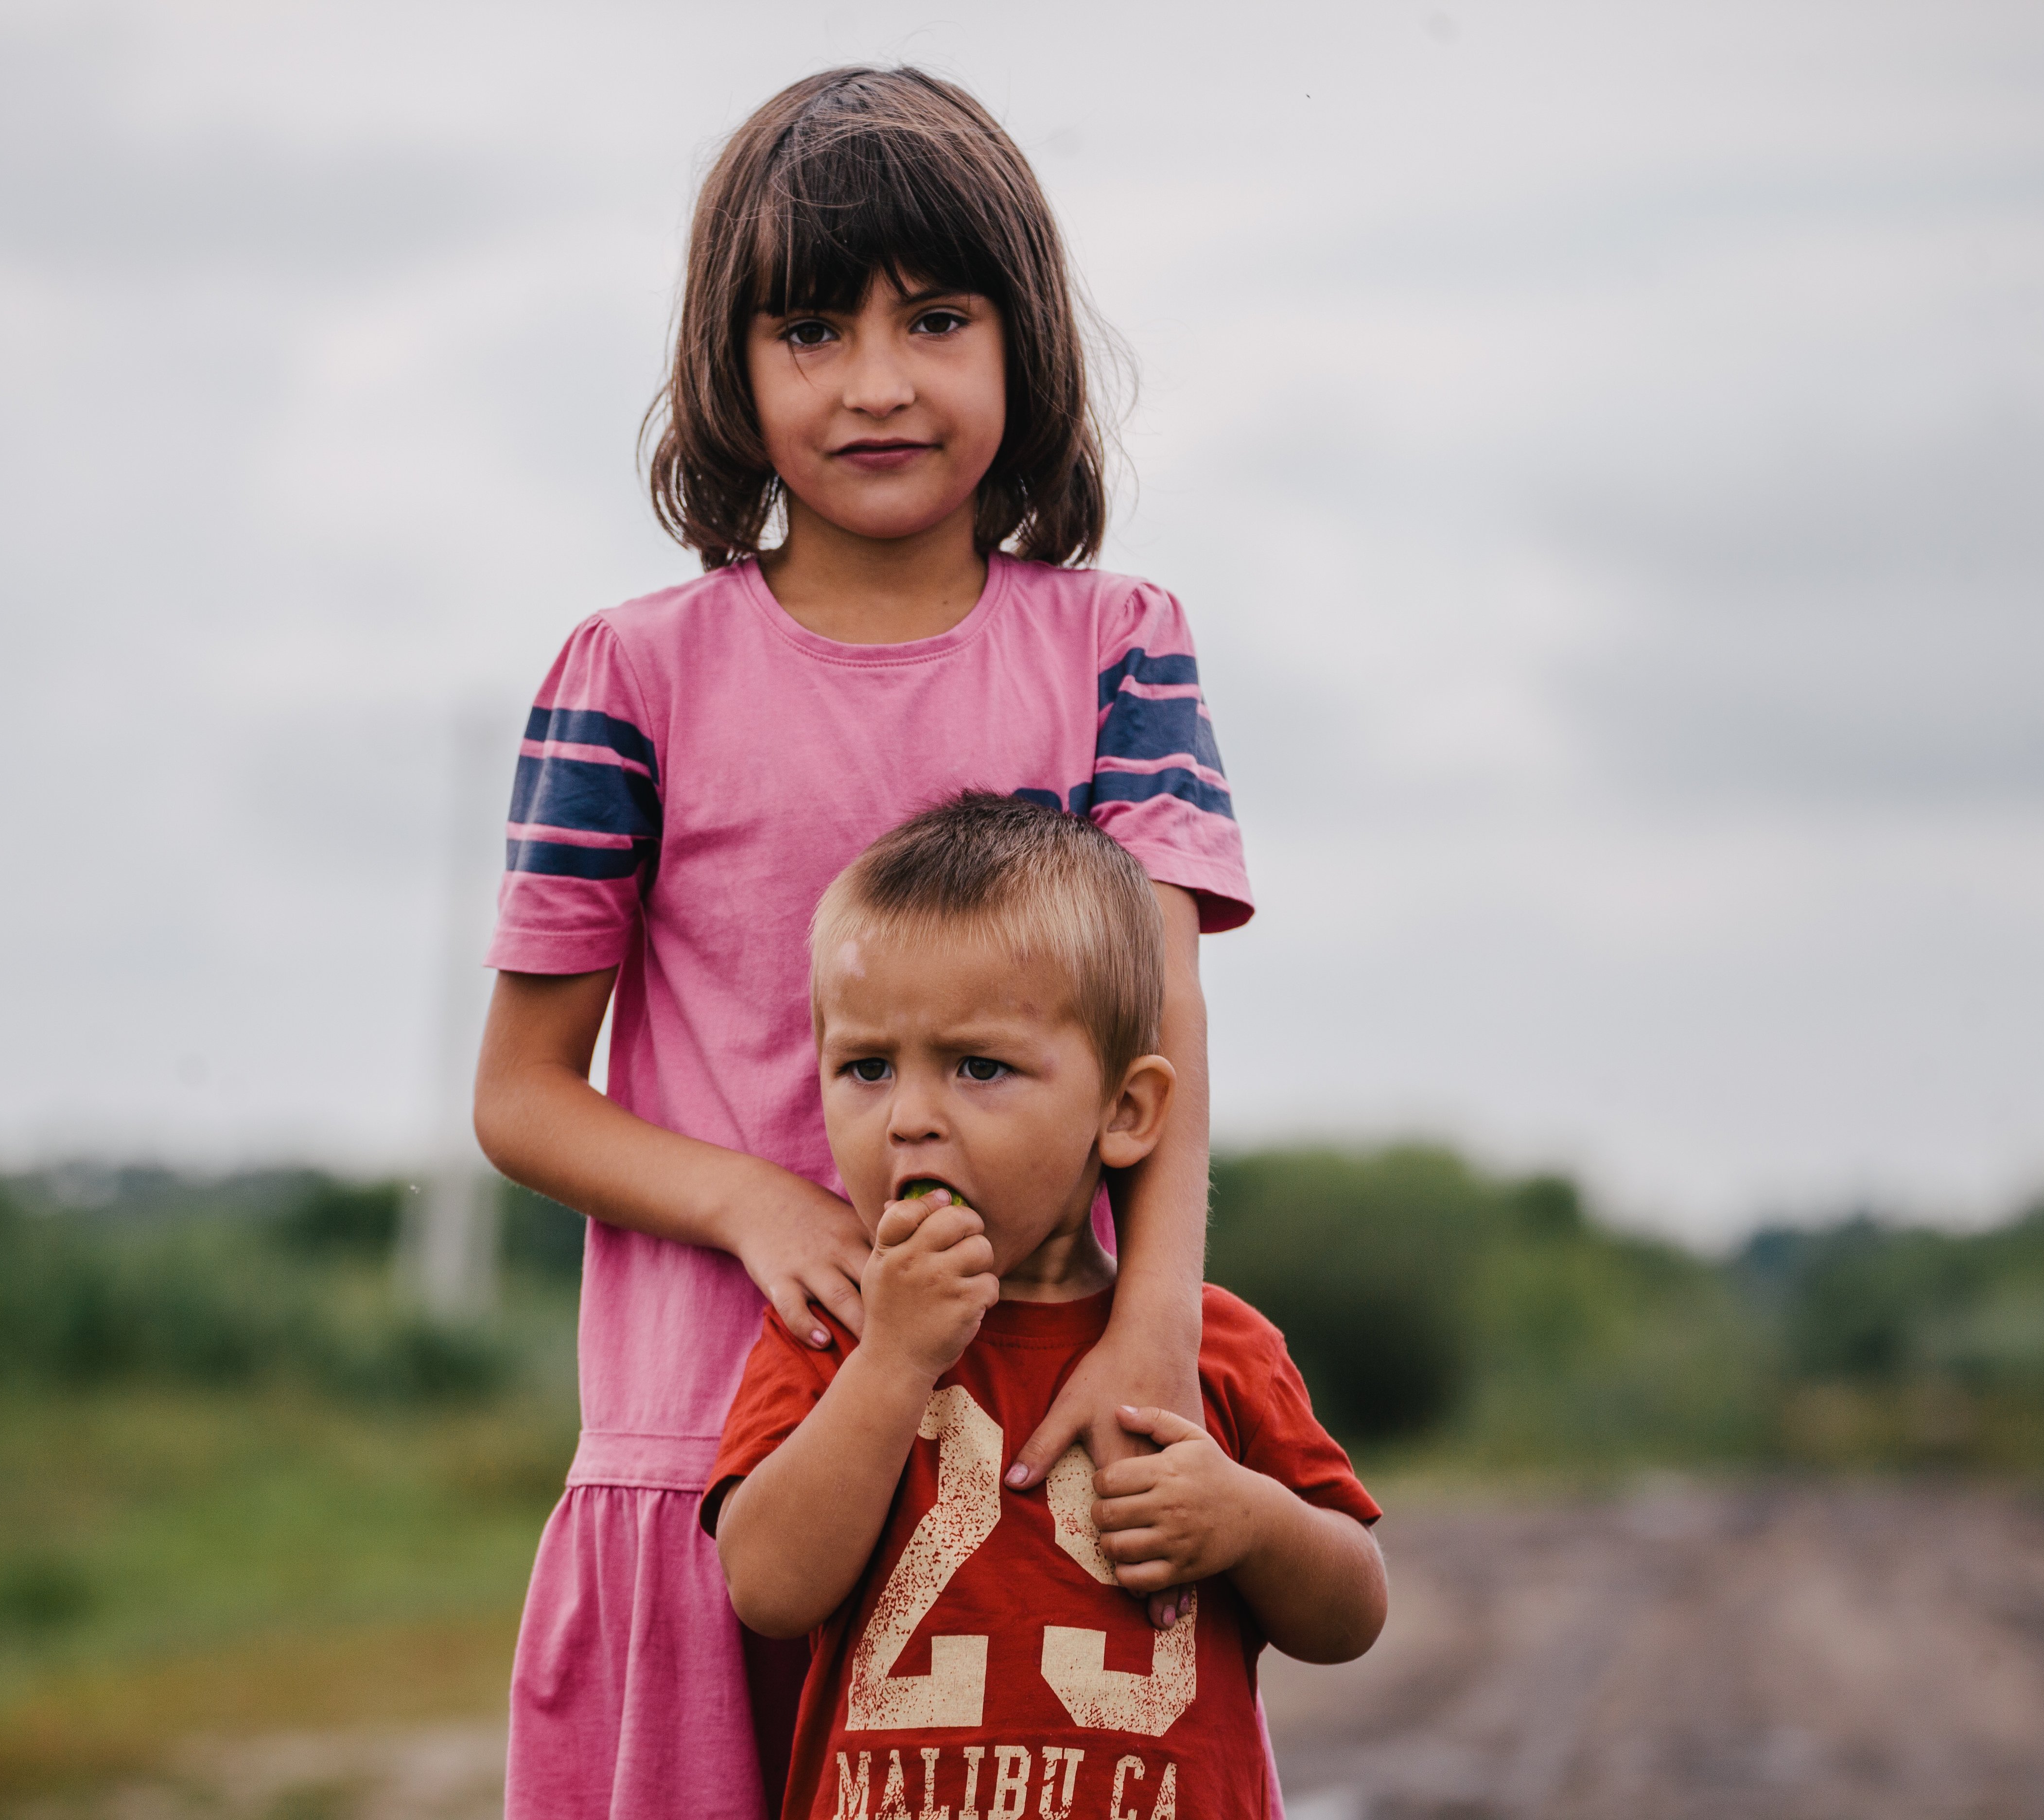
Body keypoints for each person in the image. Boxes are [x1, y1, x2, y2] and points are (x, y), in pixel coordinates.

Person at [474, 66, 1255, 1818]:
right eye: (812, 329)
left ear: (1021, 347)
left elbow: (1166, 1031)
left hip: (1030, 1438)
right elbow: (523, 1098)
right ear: (730, 371)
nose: (878, 381)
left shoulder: (1117, 646)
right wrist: (757, 1203)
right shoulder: (629, 675)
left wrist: (1154, 1334)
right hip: (703, 1460)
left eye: (937, 319)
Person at [705, 795, 1386, 1820]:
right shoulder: (838, 1327)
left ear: (1125, 1112)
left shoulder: (1211, 1348)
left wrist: (1250, 1522)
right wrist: (893, 1363)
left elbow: (1352, 1614)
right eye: (867, 1068)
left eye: (980, 1067)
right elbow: (765, 1587)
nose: (911, 1121)